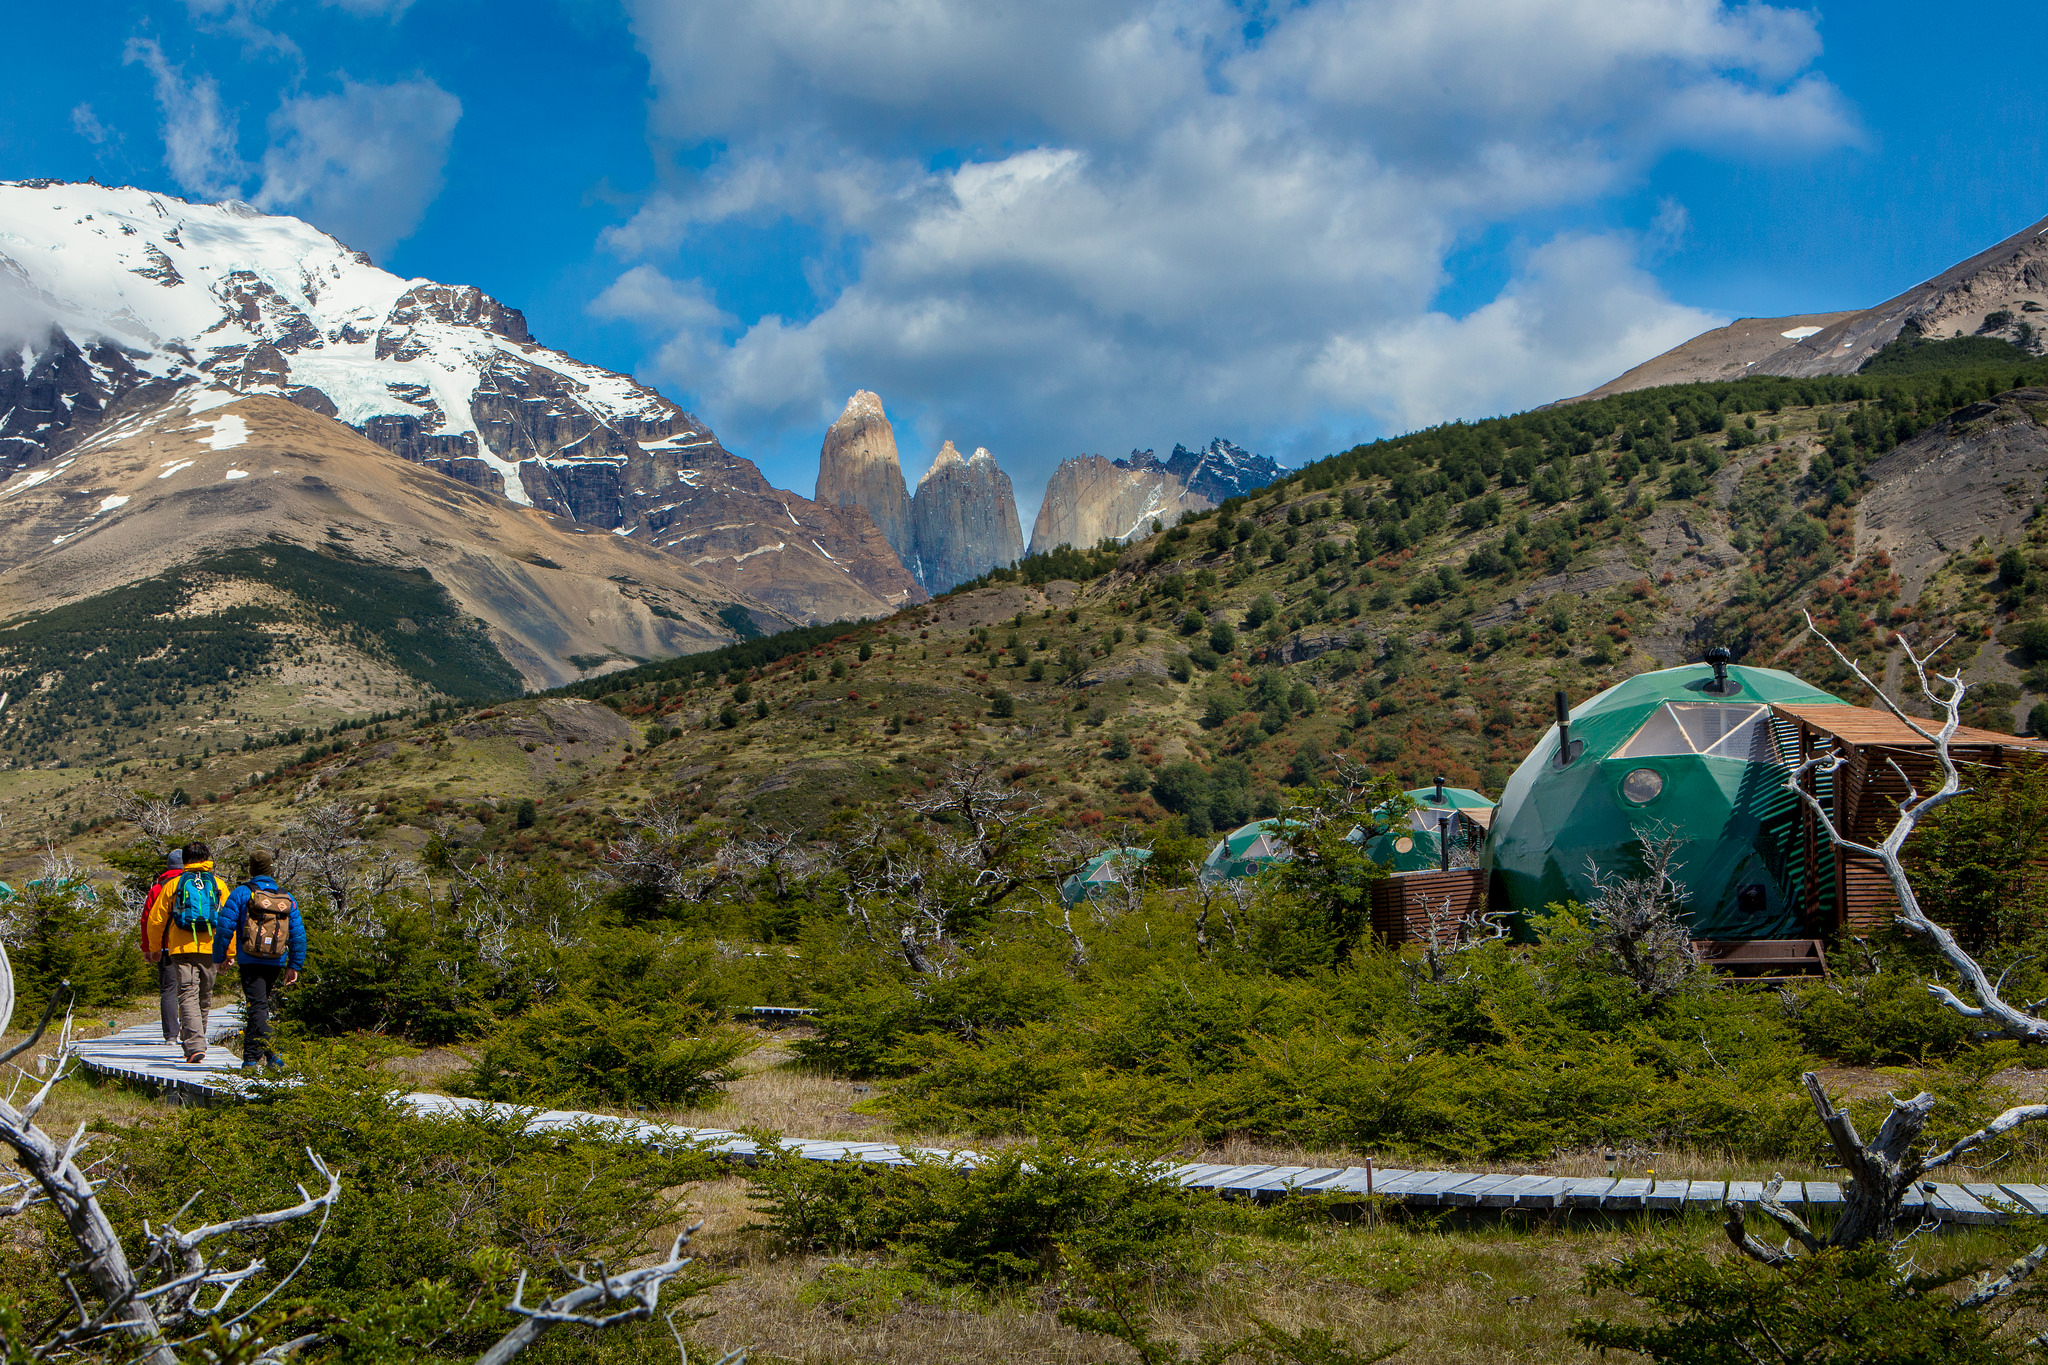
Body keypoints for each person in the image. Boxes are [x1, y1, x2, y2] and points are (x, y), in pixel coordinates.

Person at [141, 841, 233, 1064]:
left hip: (181, 948)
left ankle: (194, 1045)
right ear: (208, 858)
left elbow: (155, 919)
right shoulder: (218, 884)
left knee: (187, 994)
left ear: (185, 860)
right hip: (211, 947)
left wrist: (153, 949)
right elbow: (230, 920)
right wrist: (230, 952)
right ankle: (195, 1043)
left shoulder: (174, 884)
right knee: (204, 996)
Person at [213, 850, 303, 1071]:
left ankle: (273, 1055)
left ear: (251, 869)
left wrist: (219, 957)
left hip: (249, 959)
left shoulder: (242, 893)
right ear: (271, 869)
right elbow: (298, 934)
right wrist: (294, 965)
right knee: (259, 1005)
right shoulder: (285, 897)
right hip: (276, 960)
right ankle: (251, 1060)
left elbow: (225, 928)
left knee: (258, 1006)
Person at [137, 847, 185, 1046]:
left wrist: (148, 947)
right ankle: (193, 1033)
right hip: (191, 945)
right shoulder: (194, 884)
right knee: (190, 988)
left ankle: (171, 1036)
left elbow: (148, 919)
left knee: (168, 990)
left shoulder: (158, 888)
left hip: (165, 946)